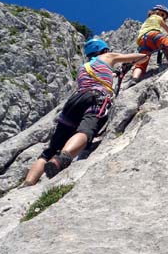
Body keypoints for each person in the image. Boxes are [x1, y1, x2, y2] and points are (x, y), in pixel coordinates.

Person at [23, 39, 148, 186]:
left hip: (74, 102)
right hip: (96, 97)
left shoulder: (85, 67)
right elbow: (142, 57)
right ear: (104, 49)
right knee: (85, 130)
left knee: (49, 150)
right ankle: (61, 159)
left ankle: (28, 182)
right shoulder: (109, 56)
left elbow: (103, 74)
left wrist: (115, 73)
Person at [132, 4, 168, 82]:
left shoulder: (146, 21)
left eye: (162, 15)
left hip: (142, 41)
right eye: (161, 14)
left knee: (141, 61)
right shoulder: (158, 17)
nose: (161, 16)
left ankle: (135, 79)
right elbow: (165, 26)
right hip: (154, 34)